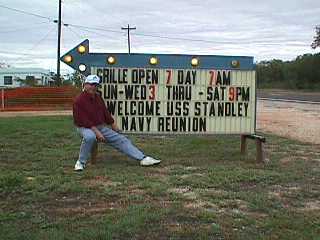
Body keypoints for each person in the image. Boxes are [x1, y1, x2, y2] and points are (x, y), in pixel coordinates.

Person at [72, 74, 161, 171]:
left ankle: (142, 158)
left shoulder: (98, 97)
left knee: (121, 139)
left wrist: (113, 125)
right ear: (85, 84)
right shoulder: (78, 100)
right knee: (90, 137)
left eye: (96, 85)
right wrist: (97, 133)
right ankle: (80, 162)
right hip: (85, 127)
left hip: (100, 127)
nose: (93, 87)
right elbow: (83, 120)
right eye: (91, 84)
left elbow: (105, 113)